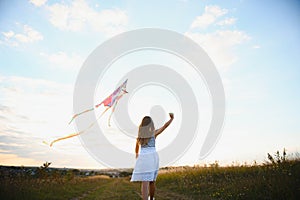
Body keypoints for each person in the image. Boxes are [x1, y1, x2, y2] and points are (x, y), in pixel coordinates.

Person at [131, 113, 174, 200]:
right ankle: (151, 198)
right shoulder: (153, 133)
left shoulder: (140, 136)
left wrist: (136, 155)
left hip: (143, 158)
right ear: (151, 124)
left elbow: (136, 147)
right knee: (152, 181)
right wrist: (171, 119)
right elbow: (165, 126)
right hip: (152, 158)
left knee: (145, 182)